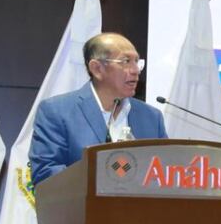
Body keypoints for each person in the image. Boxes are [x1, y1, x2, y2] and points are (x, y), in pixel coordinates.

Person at [29, 32, 166, 185]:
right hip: (82, 207)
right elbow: (45, 173)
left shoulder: (152, 118)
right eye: (126, 61)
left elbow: (164, 174)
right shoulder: (57, 111)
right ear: (97, 69)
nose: (135, 70)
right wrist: (106, 178)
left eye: (136, 62)